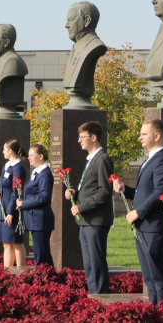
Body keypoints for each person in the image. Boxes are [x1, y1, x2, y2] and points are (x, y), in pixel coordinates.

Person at [112, 119, 163, 307]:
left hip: (153, 227)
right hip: (144, 227)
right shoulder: (150, 159)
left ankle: (162, 315)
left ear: (156, 136)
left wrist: (138, 212)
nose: (139, 137)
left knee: (159, 278)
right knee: (149, 278)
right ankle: (154, 313)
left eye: (144, 134)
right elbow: (145, 192)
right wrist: (125, 189)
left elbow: (161, 192)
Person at [64, 122, 114, 294]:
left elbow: (104, 192)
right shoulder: (91, 159)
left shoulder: (103, 159)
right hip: (86, 221)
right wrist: (75, 193)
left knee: (96, 264)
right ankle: (94, 297)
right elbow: (92, 188)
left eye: (82, 137)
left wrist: (81, 207)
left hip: (96, 220)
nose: (79, 141)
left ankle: (101, 298)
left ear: (93, 137)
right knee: (89, 265)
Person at [17, 144, 54, 266]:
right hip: (36, 219)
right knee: (43, 254)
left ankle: (45, 276)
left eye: (32, 155)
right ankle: (49, 276)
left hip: (40, 220)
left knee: (41, 255)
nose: (28, 157)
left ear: (41, 156)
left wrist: (24, 203)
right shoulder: (37, 172)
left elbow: (44, 197)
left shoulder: (44, 173)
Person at [0, 139, 27, 267]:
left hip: (11, 210)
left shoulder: (18, 168)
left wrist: (10, 212)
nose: (2, 151)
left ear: (10, 151)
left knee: (15, 242)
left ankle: (20, 271)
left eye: (4, 149)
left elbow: (16, 191)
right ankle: (7, 272)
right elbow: (3, 185)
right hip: (2, 209)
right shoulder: (7, 166)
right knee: (6, 243)